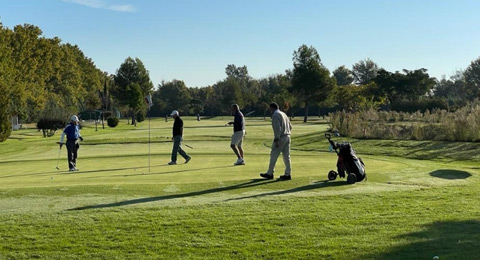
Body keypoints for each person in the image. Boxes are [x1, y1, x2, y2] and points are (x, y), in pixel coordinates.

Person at [260, 103, 292, 180]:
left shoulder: (275, 115)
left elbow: (277, 128)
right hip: (287, 136)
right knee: (286, 156)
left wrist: (277, 139)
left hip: (281, 137)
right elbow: (290, 126)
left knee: (274, 154)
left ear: (272, 108)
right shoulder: (283, 114)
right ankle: (288, 174)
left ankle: (270, 173)